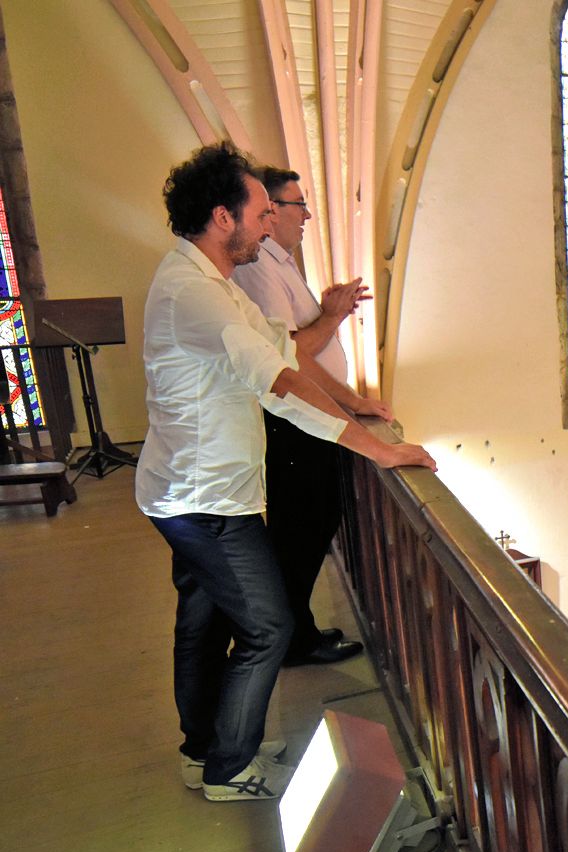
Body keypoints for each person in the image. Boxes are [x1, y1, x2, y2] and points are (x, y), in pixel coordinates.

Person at [141, 143, 436, 802]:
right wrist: (376, 447)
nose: (269, 223)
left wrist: (344, 375)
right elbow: (276, 380)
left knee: (204, 623)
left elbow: (285, 351)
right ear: (223, 217)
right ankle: (228, 768)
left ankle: (207, 748)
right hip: (204, 498)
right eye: (260, 211)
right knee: (269, 625)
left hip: (194, 488)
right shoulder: (196, 294)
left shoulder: (204, 281)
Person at [232, 166, 379, 666]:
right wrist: (334, 316)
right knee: (301, 527)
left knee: (313, 521)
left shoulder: (281, 262)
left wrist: (353, 402)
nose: (307, 215)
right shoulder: (258, 268)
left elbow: (308, 353)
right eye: (298, 205)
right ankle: (291, 636)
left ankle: (295, 628)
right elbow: (292, 353)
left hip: (308, 413)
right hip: (292, 419)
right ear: (270, 213)